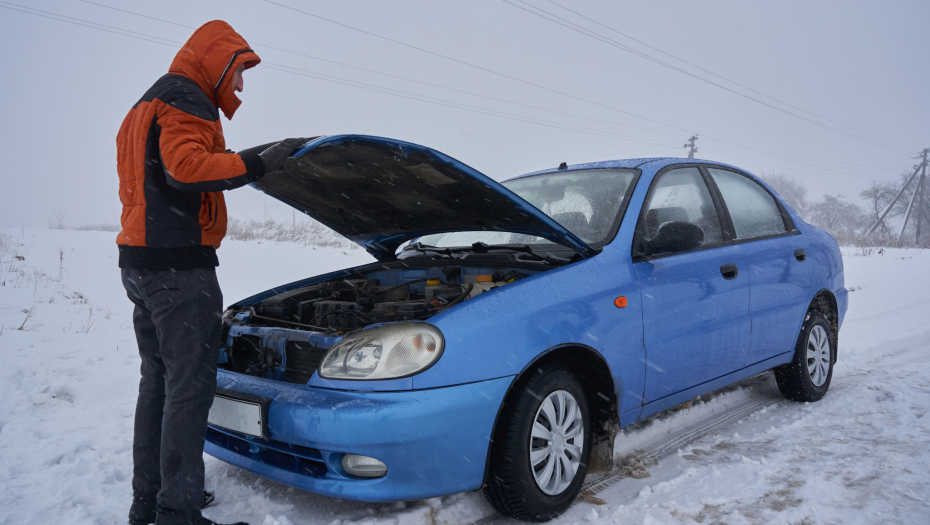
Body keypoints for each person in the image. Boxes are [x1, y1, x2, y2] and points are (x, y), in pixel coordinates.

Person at [115, 20, 304, 525]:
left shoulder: (147, 101)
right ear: (218, 61)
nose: (240, 86)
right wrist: (256, 163)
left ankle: (149, 502)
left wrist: (245, 159)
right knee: (189, 386)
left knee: (158, 381)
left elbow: (158, 170)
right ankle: (177, 511)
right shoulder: (188, 96)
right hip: (178, 266)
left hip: (140, 261)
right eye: (239, 72)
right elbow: (184, 167)